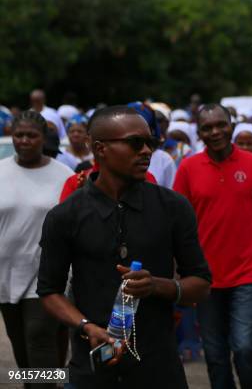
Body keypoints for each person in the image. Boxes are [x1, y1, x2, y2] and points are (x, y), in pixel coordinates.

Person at [37, 106, 211, 388]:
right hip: (93, 368)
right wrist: (86, 326)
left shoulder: (173, 208)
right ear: (100, 148)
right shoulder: (66, 215)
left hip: (158, 368)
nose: (146, 151)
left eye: (150, 142)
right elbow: (48, 291)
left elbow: (201, 284)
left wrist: (157, 286)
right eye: (134, 143)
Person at [173, 103, 252, 389]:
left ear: (231, 125)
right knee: (215, 353)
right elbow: (178, 226)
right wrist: (177, 272)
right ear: (199, 133)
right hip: (203, 277)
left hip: (246, 274)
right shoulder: (188, 168)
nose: (215, 131)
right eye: (207, 127)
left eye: (221, 124)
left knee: (245, 346)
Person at [0, 111, 73, 387]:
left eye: (32, 135)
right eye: (19, 135)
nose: (25, 140)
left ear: (44, 138)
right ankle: (40, 383)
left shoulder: (63, 175)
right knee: (21, 347)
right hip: (6, 276)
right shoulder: (1, 171)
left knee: (39, 335)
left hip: (47, 276)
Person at [128, 102, 176, 189]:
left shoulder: (164, 160)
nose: (146, 151)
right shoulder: (114, 158)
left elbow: (171, 197)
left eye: (160, 120)